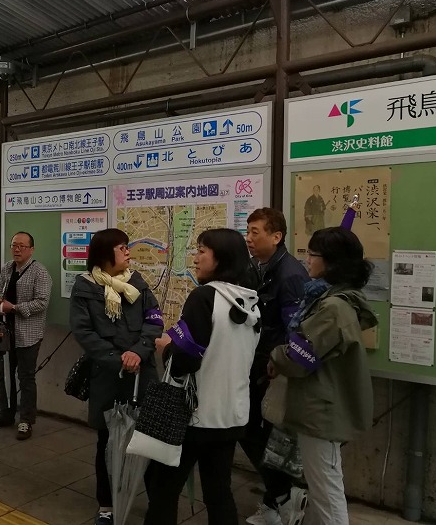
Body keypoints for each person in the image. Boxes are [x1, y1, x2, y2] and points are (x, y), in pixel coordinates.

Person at [145, 228, 261, 525]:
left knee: (163, 488)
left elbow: (184, 360)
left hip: (194, 416)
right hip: (232, 415)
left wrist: (166, 348)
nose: (194, 257)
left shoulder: (204, 298)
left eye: (201, 251)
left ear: (220, 258)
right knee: (218, 491)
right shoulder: (250, 302)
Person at [269, 227, 376, 525]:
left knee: (327, 491)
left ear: (331, 262)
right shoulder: (334, 301)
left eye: (312, 254)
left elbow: (299, 358)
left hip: (322, 412)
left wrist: (275, 356)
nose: (307, 260)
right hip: (321, 407)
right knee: (321, 487)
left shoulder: (332, 308)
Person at [69, 228, 162, 525]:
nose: (128, 252)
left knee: (146, 441)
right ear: (105, 253)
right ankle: (106, 505)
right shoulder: (85, 287)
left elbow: (154, 320)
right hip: (107, 376)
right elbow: (83, 331)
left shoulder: (137, 283)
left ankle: (157, 504)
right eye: (122, 248)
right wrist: (117, 359)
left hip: (142, 374)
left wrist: (139, 351)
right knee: (106, 442)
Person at [244, 208, 310, 525]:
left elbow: (294, 329)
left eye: (255, 231)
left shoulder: (291, 274)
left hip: (273, 369)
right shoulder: (264, 267)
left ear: (276, 236)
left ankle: (283, 495)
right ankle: (277, 500)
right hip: (261, 363)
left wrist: (276, 364)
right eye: (248, 231)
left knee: (260, 433)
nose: (249, 238)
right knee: (258, 433)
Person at [0, 231, 52, 440]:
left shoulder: (40, 272)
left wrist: (14, 307)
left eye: (22, 246)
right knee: (4, 375)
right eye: (14, 245)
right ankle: (5, 413)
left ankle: (26, 420)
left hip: (28, 334)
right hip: (5, 332)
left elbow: (42, 302)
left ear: (31, 249)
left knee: (26, 377)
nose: (17, 249)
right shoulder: (7, 268)